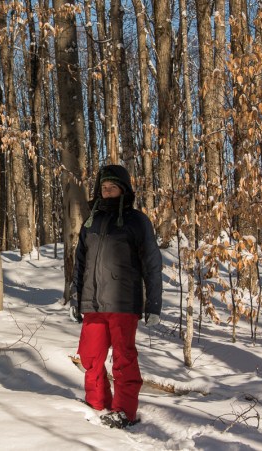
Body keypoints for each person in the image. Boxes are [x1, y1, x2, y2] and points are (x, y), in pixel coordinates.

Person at [69, 164, 163, 429]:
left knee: (123, 358)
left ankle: (125, 411)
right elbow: (80, 262)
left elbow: (152, 264)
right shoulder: (91, 221)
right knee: (90, 357)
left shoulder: (137, 221)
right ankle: (97, 403)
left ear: (123, 189)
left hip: (123, 303)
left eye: (111, 187)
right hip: (93, 302)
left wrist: (154, 304)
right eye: (103, 188)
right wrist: (76, 298)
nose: (106, 191)